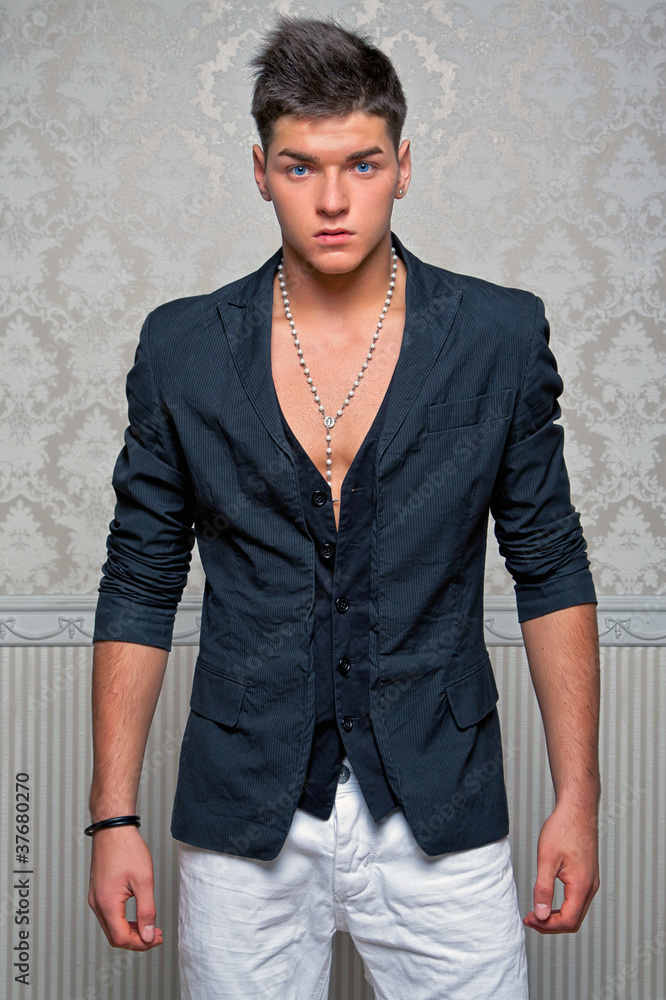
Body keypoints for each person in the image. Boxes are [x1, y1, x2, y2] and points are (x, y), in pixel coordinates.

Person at [86, 14, 601, 1000]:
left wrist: (578, 797)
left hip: (441, 799)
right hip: (244, 807)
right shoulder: (182, 351)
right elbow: (138, 583)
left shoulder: (498, 336)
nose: (331, 200)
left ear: (404, 166)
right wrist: (113, 819)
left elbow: (551, 563)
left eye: (362, 165)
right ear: (258, 168)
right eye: (300, 167)